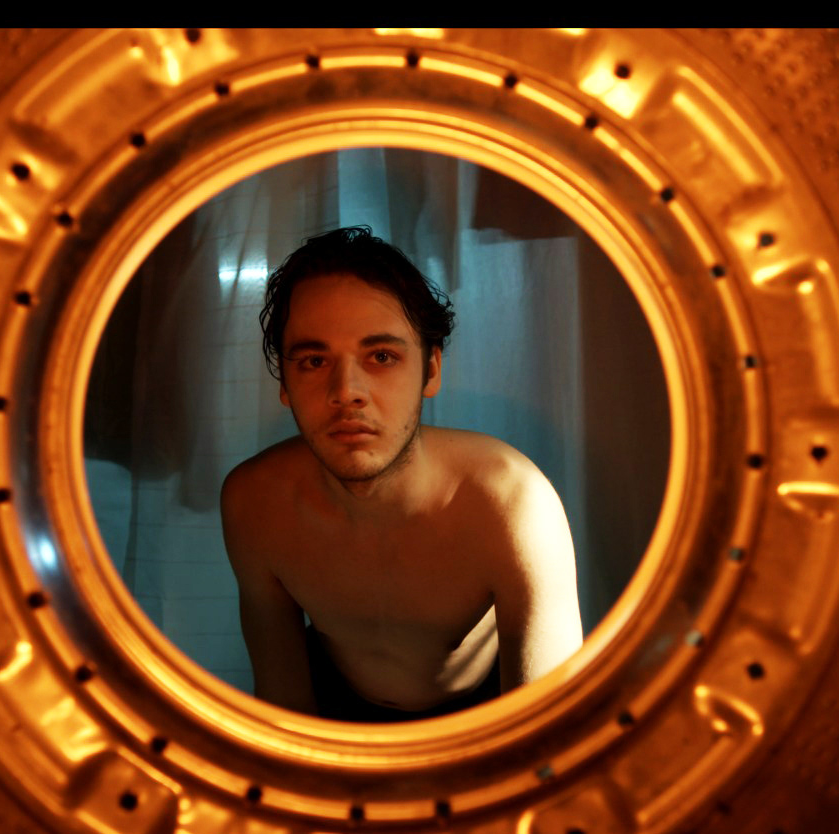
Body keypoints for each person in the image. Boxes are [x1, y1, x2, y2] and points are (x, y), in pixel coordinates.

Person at [220, 226, 583, 722]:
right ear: (285, 382)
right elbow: (283, 705)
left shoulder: (511, 501)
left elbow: (548, 728)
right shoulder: (254, 502)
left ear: (431, 370)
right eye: (314, 360)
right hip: (338, 721)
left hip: (484, 718)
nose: (346, 391)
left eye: (381, 357)